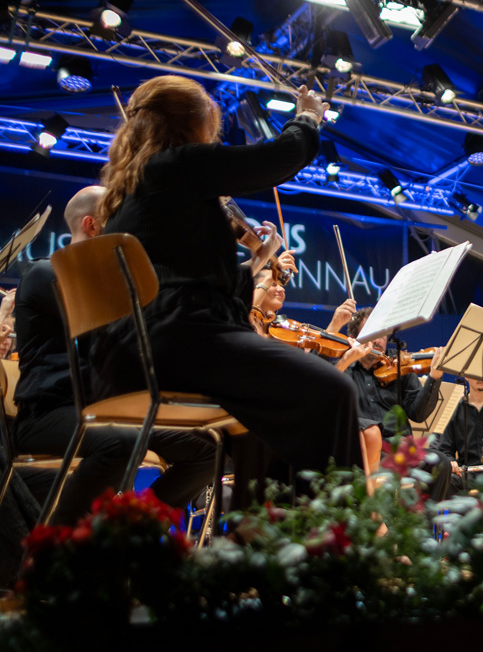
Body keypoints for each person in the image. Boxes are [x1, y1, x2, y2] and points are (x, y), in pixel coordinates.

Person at [89, 76, 362, 478]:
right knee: (333, 390)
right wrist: (307, 118)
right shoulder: (176, 164)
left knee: (262, 424)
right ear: (192, 124)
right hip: (172, 344)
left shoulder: (133, 188)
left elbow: (190, 278)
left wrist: (260, 258)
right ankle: (335, 518)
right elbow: (279, 157)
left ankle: (265, 518)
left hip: (131, 355)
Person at [11, 185, 217, 525]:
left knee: (207, 447)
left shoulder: (115, 285)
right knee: (122, 441)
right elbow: (111, 323)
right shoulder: (44, 273)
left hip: (109, 413)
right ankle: (61, 543)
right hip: (48, 414)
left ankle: (137, 530)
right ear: (92, 225)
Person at [334, 307, 444, 475]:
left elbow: (418, 414)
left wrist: (434, 377)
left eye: (383, 334)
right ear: (354, 339)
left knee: (440, 463)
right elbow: (327, 397)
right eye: (372, 334)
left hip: (401, 450)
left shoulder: (399, 363)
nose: (378, 341)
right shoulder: (345, 368)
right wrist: (346, 361)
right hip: (365, 451)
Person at [430, 378, 483, 501]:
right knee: (447, 481)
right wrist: (450, 461)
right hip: (466, 473)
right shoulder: (455, 409)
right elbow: (446, 448)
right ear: (467, 376)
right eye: (476, 372)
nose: (481, 377)